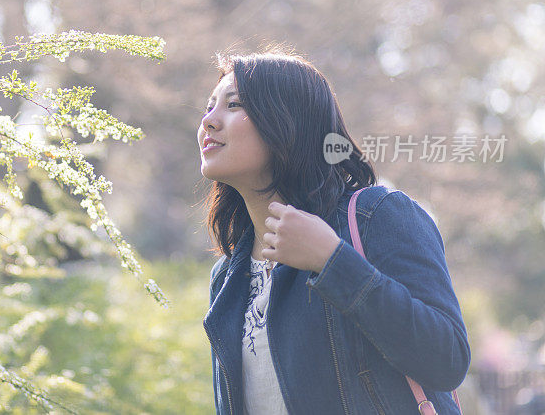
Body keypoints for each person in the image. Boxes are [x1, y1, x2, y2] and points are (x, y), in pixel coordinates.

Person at [199, 50, 470, 415]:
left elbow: (447, 359)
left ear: (287, 120)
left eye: (233, 105)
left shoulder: (378, 216)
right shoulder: (227, 277)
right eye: (208, 107)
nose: (209, 122)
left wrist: (331, 261)